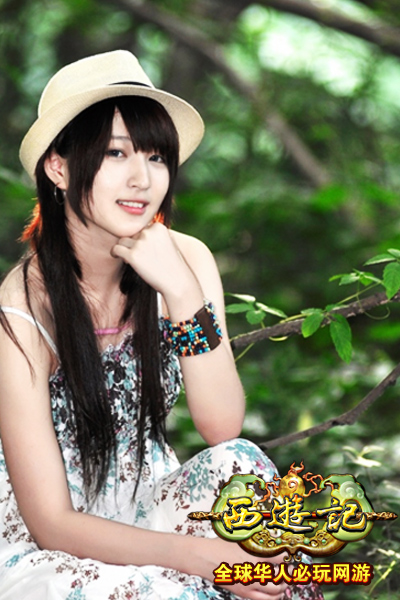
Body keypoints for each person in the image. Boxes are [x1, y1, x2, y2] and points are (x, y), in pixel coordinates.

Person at [0, 50, 323, 600]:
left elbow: (221, 427)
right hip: (46, 545)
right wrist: (203, 558)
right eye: (115, 153)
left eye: (156, 157)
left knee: (240, 467)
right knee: (168, 590)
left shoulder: (185, 260)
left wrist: (180, 291)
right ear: (59, 167)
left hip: (149, 505)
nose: (141, 179)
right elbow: (51, 522)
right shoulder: (22, 308)